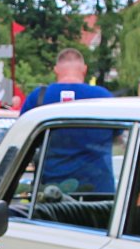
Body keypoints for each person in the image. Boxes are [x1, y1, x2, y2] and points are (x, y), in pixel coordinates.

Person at [20, 48, 115, 193]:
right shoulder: (103, 98)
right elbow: (120, 136)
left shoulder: (38, 98)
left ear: (56, 70)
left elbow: (22, 141)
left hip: (52, 193)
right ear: (84, 69)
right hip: (98, 191)